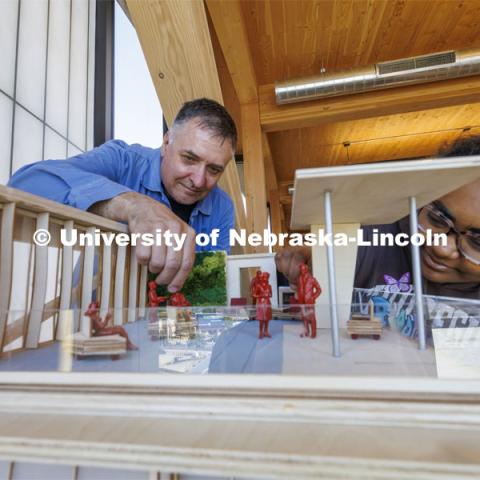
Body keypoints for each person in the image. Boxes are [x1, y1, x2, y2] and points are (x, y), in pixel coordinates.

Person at [8, 98, 237, 294]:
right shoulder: (122, 160)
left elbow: (209, 287)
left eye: (214, 170)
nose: (198, 180)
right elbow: (24, 184)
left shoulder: (222, 207)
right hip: (89, 325)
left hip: (174, 331)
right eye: (189, 158)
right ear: (166, 143)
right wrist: (128, 204)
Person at [275, 136, 480, 300]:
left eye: (477, 242)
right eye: (436, 219)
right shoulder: (379, 238)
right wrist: (314, 259)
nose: (442, 248)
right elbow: (339, 252)